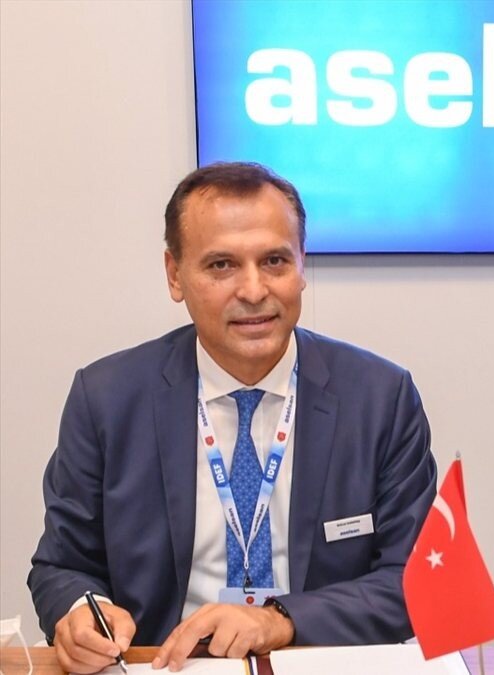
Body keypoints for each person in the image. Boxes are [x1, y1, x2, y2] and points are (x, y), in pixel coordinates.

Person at [28, 162, 437, 674]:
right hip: (163, 664)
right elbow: (62, 565)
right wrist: (81, 612)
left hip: (315, 661)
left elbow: (416, 581)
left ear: (301, 266)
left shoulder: (380, 398)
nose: (253, 290)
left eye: (274, 261)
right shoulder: (107, 398)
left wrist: (279, 620)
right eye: (221, 265)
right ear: (175, 274)